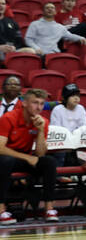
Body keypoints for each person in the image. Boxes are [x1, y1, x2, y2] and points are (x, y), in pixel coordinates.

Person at [0, 88, 59, 223]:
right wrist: (27, 157)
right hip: (5, 157)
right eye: (35, 103)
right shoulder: (8, 118)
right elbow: (0, 148)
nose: (38, 107)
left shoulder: (42, 121)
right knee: (6, 161)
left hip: (22, 158)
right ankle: (1, 210)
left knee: (49, 162)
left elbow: (40, 154)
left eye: (41, 103)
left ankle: (49, 209)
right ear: (24, 103)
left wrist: (40, 131)